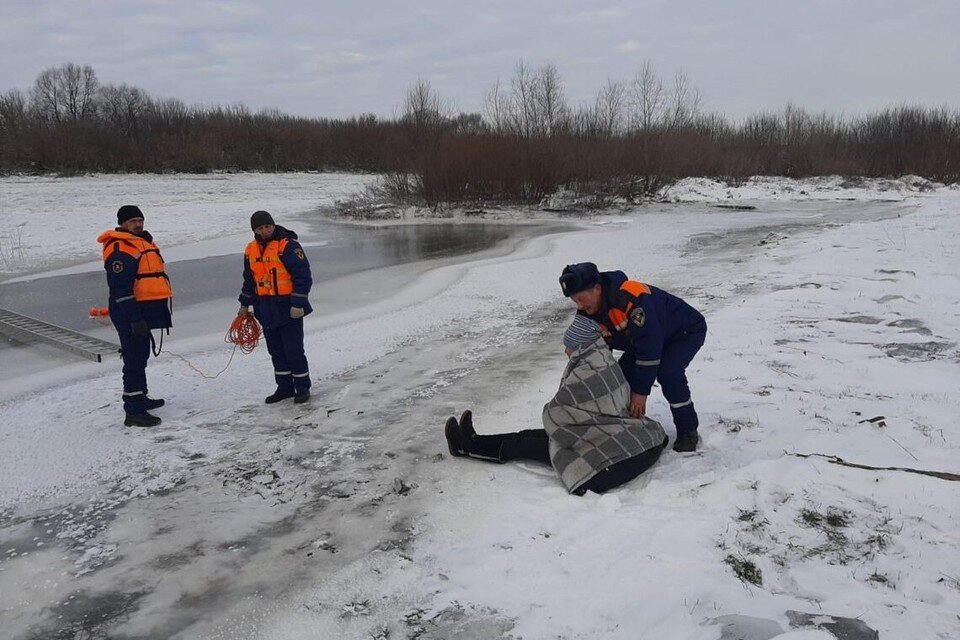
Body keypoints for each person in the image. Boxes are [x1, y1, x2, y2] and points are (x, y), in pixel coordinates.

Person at [444, 316, 668, 496]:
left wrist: (559, 415)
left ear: (578, 345)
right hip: (611, 433)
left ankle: (464, 446)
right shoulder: (601, 358)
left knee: (523, 444)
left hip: (603, 459)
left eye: (568, 346)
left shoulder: (589, 369)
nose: (565, 351)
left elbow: (555, 415)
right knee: (527, 436)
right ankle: (472, 439)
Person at [558, 262, 707, 452]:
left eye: (581, 298)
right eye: (574, 301)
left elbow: (649, 350)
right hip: (640, 341)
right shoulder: (588, 311)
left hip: (683, 332)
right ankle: (627, 427)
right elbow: (590, 349)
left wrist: (640, 393)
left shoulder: (632, 298)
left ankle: (688, 431)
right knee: (621, 379)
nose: (579, 305)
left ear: (597, 289)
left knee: (669, 373)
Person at [97, 205, 173, 427]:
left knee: (141, 356)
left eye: (140, 220)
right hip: (129, 311)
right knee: (133, 359)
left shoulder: (140, 242)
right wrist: (134, 318)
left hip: (143, 309)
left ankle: (140, 397)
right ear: (122, 223)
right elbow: (120, 289)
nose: (138, 224)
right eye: (133, 221)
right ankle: (133, 410)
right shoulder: (120, 248)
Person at [238, 210, 313, 404]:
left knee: (293, 349)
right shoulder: (250, 249)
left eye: (267, 226)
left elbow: (303, 276)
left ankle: (302, 387)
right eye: (260, 228)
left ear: (273, 225)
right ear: (254, 230)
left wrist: (298, 303)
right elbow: (249, 280)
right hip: (265, 307)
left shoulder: (288, 245)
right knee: (276, 350)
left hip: (287, 306)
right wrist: (244, 304)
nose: (265, 231)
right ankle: (285, 388)